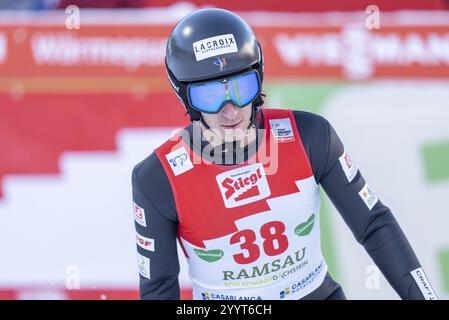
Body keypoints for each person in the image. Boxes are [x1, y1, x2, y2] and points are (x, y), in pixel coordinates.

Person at [131, 8, 437, 300]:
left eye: (241, 87)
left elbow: (373, 225)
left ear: (259, 77)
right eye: (209, 95)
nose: (230, 110)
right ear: (184, 95)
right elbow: (160, 286)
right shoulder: (157, 179)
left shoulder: (310, 136)